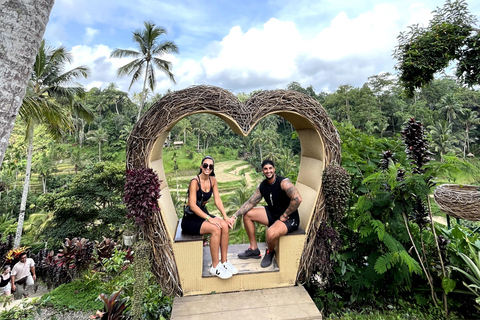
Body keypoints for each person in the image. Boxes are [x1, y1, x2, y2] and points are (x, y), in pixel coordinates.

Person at [226, 159, 302, 268]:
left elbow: (297, 198)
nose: (268, 171)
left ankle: (269, 252)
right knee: (247, 214)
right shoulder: (262, 186)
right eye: (265, 169)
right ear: (262, 171)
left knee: (270, 234)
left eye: (270, 168)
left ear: (274, 169)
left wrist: (285, 215)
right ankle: (254, 249)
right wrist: (234, 216)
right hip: (274, 213)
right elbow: (250, 202)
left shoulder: (283, 182)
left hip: (289, 218)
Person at [181, 156, 237, 279]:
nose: (207, 168)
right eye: (205, 165)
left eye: (210, 166)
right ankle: (215, 267)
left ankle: (224, 262)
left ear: (212, 169)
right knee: (215, 229)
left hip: (203, 214)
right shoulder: (194, 182)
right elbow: (193, 206)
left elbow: (217, 200)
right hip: (191, 219)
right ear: (201, 166)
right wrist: (209, 218)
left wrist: (225, 217)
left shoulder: (213, 181)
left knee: (224, 225)